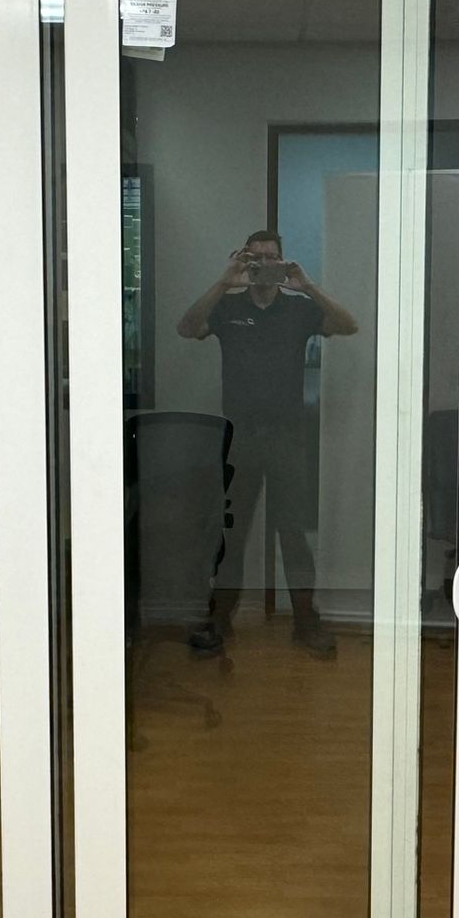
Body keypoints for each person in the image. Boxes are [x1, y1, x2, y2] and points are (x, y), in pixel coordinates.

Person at [176, 229, 359, 657]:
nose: (262, 264)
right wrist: (226, 280)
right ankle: (219, 621)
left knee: (292, 533)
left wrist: (307, 285)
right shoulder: (228, 305)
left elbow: (348, 326)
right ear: (243, 260)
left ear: (282, 262)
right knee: (231, 533)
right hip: (239, 438)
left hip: (287, 438)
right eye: (254, 257)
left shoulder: (298, 310)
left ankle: (305, 622)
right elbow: (187, 328)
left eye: (270, 258)